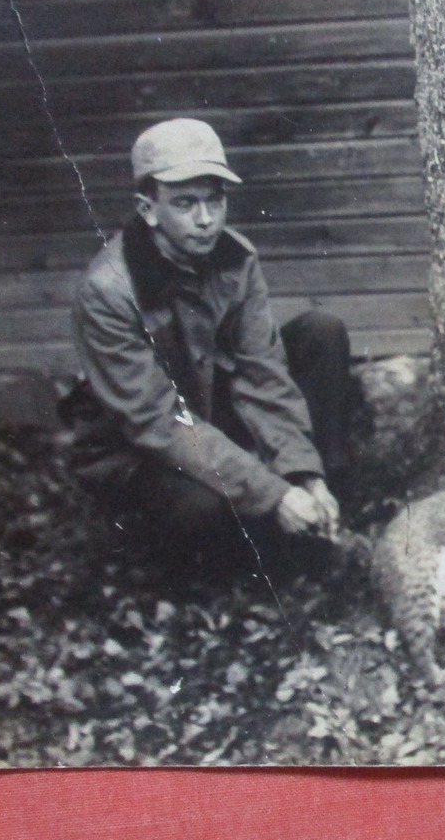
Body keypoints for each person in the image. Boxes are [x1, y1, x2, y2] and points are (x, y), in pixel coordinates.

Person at [63, 117, 357, 562]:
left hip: (209, 413)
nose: (205, 220)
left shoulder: (236, 258)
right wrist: (271, 493)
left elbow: (263, 374)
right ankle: (259, 545)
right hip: (138, 446)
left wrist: (302, 474)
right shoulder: (108, 290)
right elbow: (158, 422)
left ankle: (321, 506)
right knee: (199, 512)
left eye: (215, 201)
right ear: (149, 210)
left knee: (321, 331)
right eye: (185, 203)